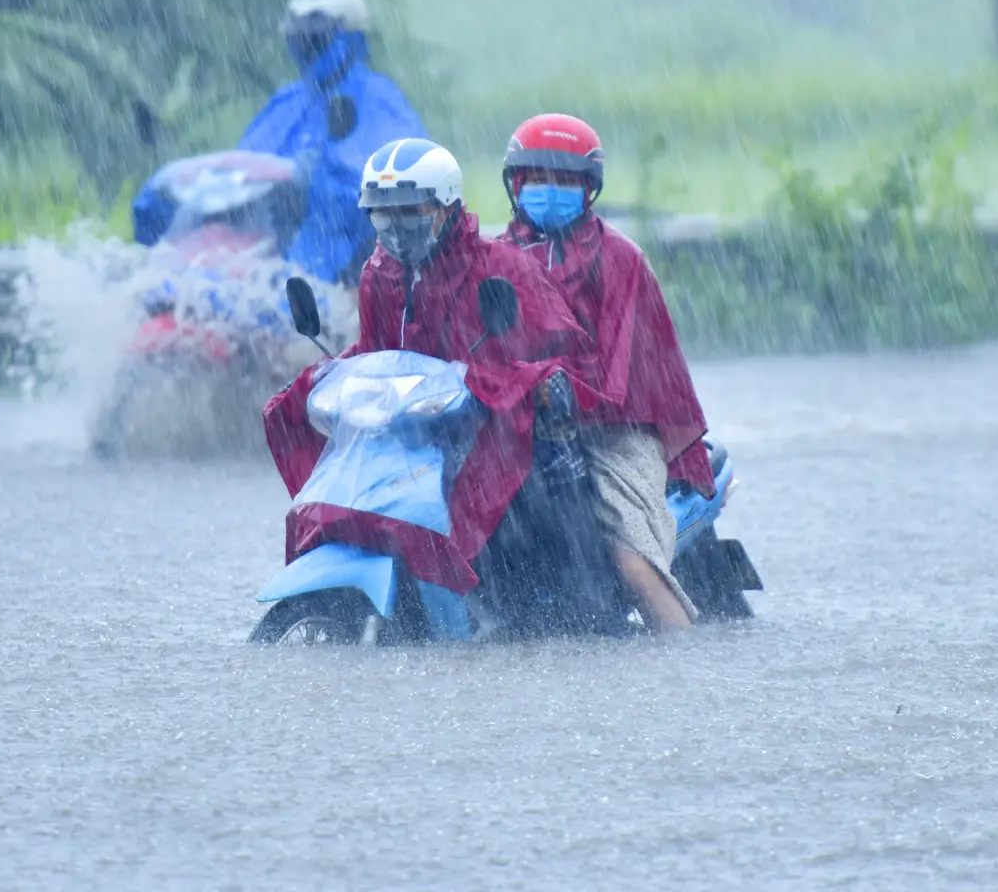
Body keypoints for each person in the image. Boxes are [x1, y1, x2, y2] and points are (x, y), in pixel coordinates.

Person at [263, 138, 597, 599]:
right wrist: (329, 375)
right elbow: (378, 353)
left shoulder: (501, 267)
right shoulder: (378, 275)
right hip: (418, 429)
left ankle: (584, 608)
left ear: (446, 207)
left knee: (541, 497)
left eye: (410, 213)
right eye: (384, 216)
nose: (397, 229)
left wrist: (524, 384)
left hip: (496, 427)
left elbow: (559, 350)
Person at [498, 113, 715, 630]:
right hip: (520, 428)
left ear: (588, 188)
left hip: (614, 429)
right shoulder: (496, 257)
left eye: (565, 180)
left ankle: (689, 661)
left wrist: (554, 387)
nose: (550, 190)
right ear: (517, 184)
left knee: (630, 557)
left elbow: (614, 373)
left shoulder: (620, 260)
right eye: (539, 179)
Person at [132, 0, 424, 284]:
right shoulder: (287, 101)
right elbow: (242, 172)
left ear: (350, 40)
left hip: (332, 265)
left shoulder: (379, 101)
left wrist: (308, 183)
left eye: (314, 41)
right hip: (265, 252)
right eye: (298, 42)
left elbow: (380, 193)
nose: (306, 51)